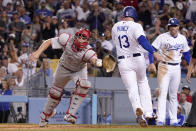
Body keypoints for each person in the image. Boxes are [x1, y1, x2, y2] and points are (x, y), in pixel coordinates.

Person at [28, 28, 102, 127]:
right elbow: (49, 41)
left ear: (88, 40)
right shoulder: (66, 39)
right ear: (75, 36)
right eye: (79, 36)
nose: (80, 39)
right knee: (55, 92)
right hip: (63, 68)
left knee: (84, 84)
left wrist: (97, 62)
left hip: (78, 71)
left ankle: (70, 114)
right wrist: (37, 53)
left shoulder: (88, 51)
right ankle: (45, 116)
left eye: (83, 37)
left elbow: (93, 59)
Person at [111, 6, 162, 127]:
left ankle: (139, 112)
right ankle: (149, 113)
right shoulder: (136, 26)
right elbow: (143, 41)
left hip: (123, 61)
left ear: (123, 15)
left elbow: (115, 43)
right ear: (134, 16)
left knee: (132, 89)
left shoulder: (115, 26)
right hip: (138, 59)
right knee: (143, 83)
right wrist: (154, 52)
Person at [149, 18, 191, 126]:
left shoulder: (182, 38)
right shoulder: (162, 37)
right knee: (162, 94)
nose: (172, 28)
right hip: (164, 67)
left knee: (173, 95)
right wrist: (151, 62)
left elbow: (186, 53)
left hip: (177, 67)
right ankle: (160, 120)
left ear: (178, 27)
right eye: (171, 26)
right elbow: (151, 49)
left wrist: (191, 66)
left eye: (174, 26)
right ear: (168, 27)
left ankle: (173, 120)